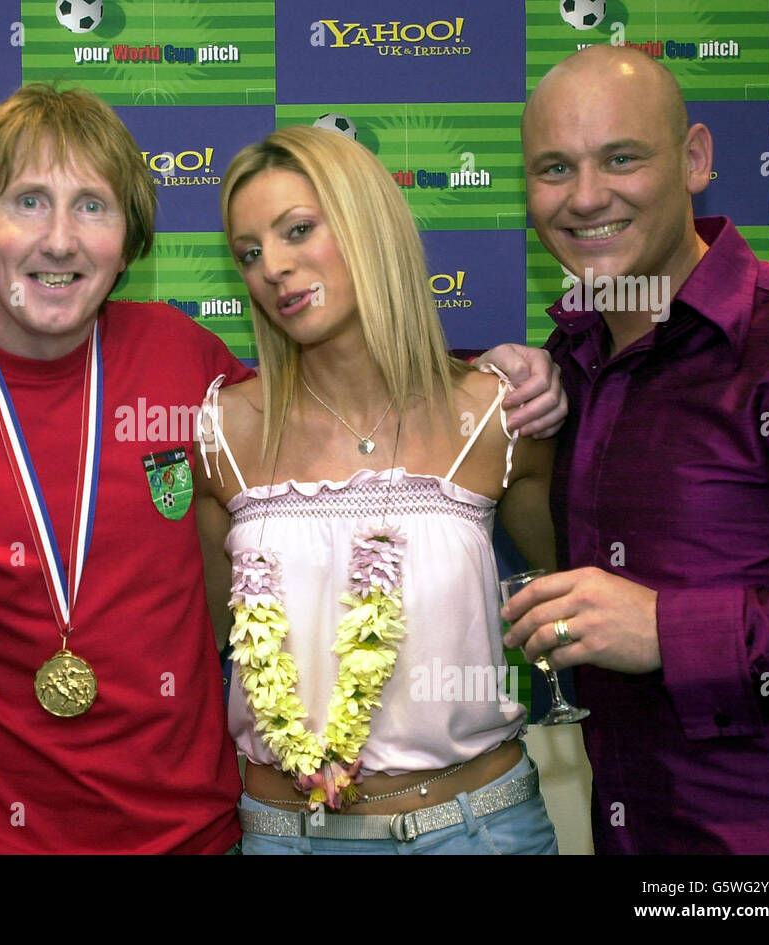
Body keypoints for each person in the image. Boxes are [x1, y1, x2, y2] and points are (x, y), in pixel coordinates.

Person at [0, 84, 565, 854]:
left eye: (92, 206)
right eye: (28, 201)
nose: (59, 241)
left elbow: (346, 395)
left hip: (195, 835)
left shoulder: (187, 366)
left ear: (130, 240)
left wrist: (500, 371)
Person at [194, 124, 560, 855]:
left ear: (369, 224)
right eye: (251, 252)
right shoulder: (222, 430)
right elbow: (208, 646)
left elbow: (572, 593)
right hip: (285, 836)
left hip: (478, 830)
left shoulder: (495, 414)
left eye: (299, 230)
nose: (274, 267)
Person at [504, 45, 769, 854]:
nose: (585, 198)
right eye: (554, 168)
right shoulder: (574, 358)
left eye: (620, 158)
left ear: (695, 159)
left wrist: (670, 628)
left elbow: (648, 624)